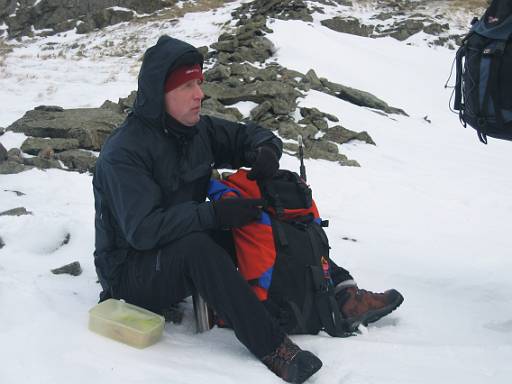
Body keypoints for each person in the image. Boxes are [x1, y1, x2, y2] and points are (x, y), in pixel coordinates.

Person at [93, 35, 403, 384]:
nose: (199, 94)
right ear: (159, 93)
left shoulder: (197, 131)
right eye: (187, 86)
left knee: (264, 211)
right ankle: (273, 347)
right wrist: (215, 215)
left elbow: (250, 137)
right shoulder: (125, 152)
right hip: (130, 271)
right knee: (200, 246)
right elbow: (143, 230)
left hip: (180, 239)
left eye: (199, 82)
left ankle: (340, 292)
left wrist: (265, 152)